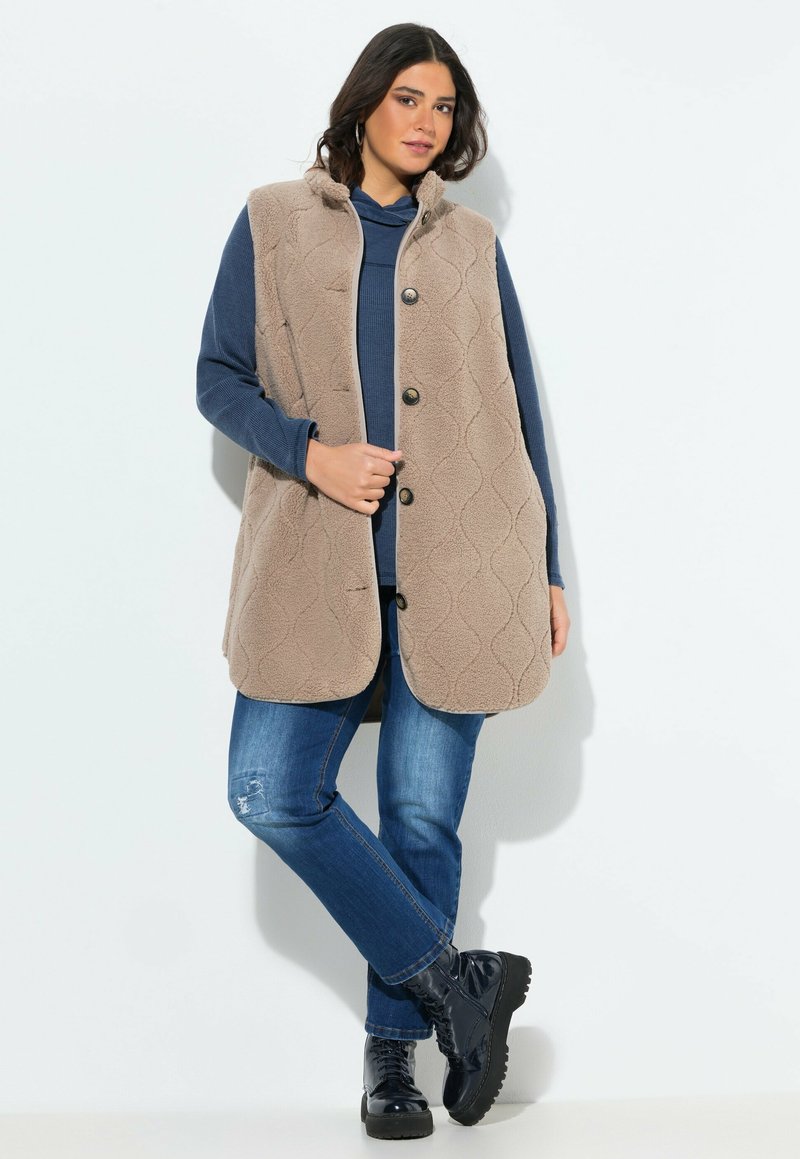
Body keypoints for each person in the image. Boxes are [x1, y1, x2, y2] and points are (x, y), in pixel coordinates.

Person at [196, 22, 571, 1140]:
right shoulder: (272, 220)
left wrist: (546, 569)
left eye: (443, 106)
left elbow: (517, 412)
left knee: (419, 820)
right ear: (363, 103)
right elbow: (217, 376)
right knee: (269, 791)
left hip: (459, 571)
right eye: (407, 97)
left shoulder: (470, 246)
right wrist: (310, 454)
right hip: (314, 567)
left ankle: (392, 1061)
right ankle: (455, 980)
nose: (425, 121)